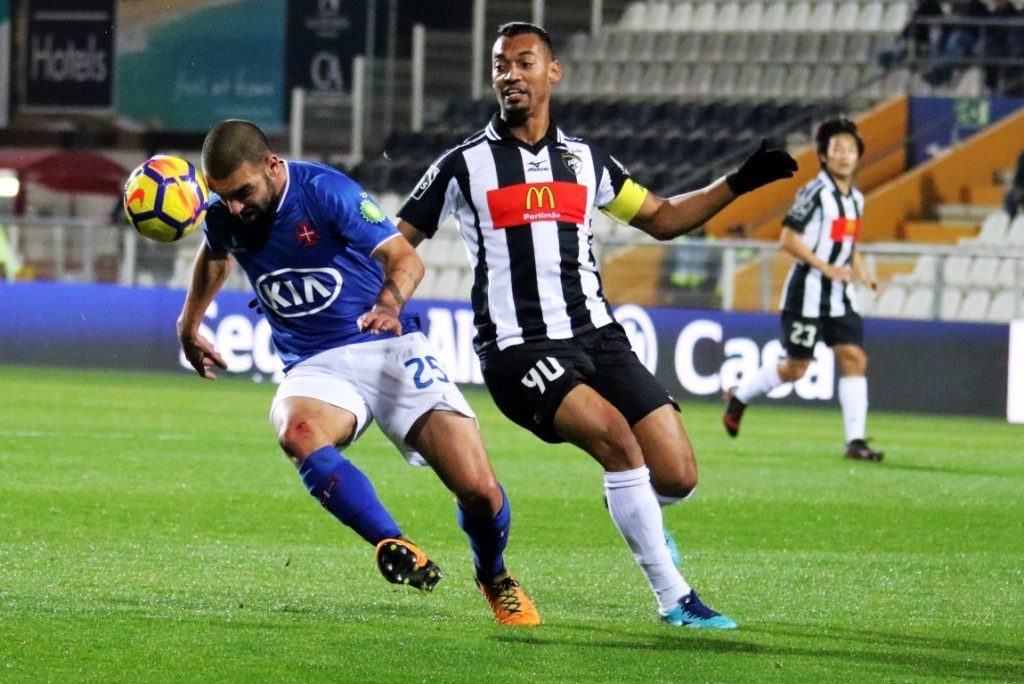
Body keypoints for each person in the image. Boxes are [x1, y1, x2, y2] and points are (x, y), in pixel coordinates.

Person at [396, 22, 797, 629]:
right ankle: (674, 598)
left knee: (678, 477)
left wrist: (738, 181)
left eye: (524, 63)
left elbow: (661, 218)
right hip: (518, 347)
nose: (510, 75)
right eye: (501, 65)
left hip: (598, 336)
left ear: (552, 72)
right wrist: (383, 299)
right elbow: (399, 240)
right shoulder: (462, 166)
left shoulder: (585, 161)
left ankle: (638, 510)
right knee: (617, 440)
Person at [177, 119, 540, 626]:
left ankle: (494, 575)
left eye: (242, 193)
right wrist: (189, 322)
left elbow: (405, 259)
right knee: (296, 430)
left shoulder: (326, 192)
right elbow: (215, 255)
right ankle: (393, 543)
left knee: (479, 490)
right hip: (314, 362)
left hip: (386, 342)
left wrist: (388, 305)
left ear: (272, 165)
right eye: (223, 197)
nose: (234, 207)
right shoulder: (224, 214)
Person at [723, 118, 884, 463]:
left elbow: (849, 242)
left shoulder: (855, 198)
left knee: (855, 358)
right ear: (823, 156)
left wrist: (864, 274)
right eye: (836, 149)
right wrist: (825, 267)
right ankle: (741, 397)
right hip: (806, 293)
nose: (844, 156)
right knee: (797, 369)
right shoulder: (814, 193)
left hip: (839, 296)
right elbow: (788, 238)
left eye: (850, 149)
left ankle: (855, 441)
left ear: (858, 156)